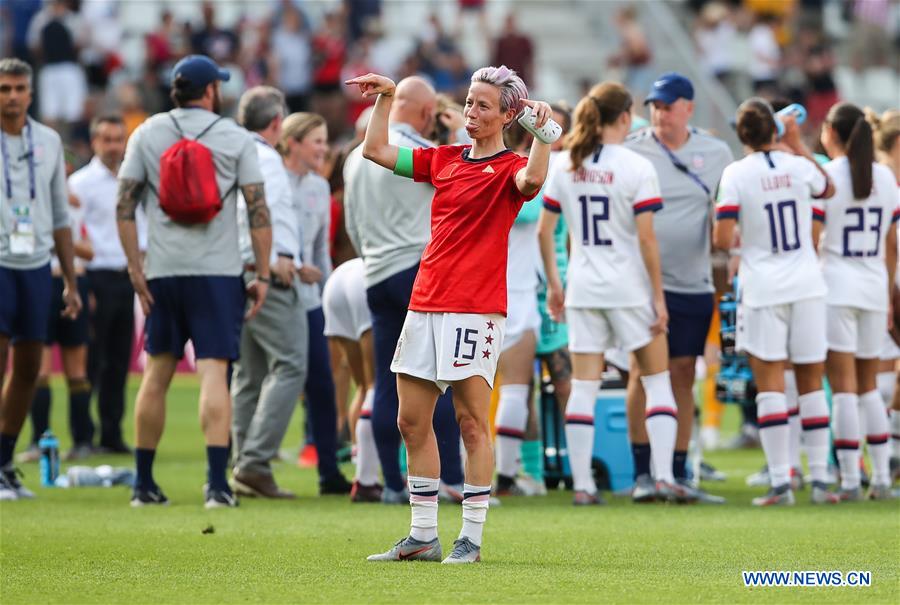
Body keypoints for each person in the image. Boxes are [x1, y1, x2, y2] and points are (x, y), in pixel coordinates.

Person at [346, 65, 551, 563]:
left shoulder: (509, 168)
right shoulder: (444, 159)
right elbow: (374, 151)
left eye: (483, 105)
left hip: (476, 310)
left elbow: (534, 178)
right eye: (469, 103)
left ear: (508, 115)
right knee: (411, 421)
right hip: (425, 303)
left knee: (471, 423)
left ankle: (472, 539)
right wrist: (387, 99)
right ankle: (422, 536)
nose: (471, 112)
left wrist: (544, 136)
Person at [116, 55, 272, 508]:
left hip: (163, 270)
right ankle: (217, 487)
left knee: (156, 374)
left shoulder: (146, 132)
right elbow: (258, 211)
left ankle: (143, 484)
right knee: (214, 374)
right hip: (218, 271)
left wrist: (134, 267)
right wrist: (261, 273)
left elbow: (124, 206)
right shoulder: (234, 137)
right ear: (209, 92)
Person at [539, 81, 684, 505]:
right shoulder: (637, 167)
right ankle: (661, 477)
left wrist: (555, 283)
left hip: (583, 288)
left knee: (582, 387)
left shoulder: (564, 164)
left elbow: (547, 232)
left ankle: (583, 486)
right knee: (658, 382)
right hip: (629, 289)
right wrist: (659, 296)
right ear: (625, 117)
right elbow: (646, 241)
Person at [342, 76, 465, 504]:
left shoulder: (357, 155)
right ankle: (450, 477)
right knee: (440, 378)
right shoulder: (419, 151)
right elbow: (465, 178)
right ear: (428, 112)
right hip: (418, 270)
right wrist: (459, 134)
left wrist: (371, 259)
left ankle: (392, 483)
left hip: (374, 272)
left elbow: (351, 223)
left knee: (385, 381)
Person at [713, 98, 836, 506]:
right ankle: (820, 481)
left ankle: (781, 483)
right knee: (810, 383)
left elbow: (721, 236)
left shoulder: (736, 173)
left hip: (763, 288)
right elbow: (828, 188)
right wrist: (799, 145)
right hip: (806, 283)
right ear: (776, 131)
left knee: (770, 389)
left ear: (741, 134)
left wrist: (744, 239)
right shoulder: (798, 165)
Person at [624, 73, 732, 502]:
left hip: (693, 283)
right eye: (654, 105)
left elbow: (726, 211)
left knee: (684, 374)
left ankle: (680, 470)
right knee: (642, 373)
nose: (659, 113)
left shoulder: (717, 152)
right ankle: (642, 473)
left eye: (668, 106)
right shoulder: (633, 149)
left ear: (688, 107)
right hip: (642, 286)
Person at [0, 57, 81, 501]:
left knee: (30, 366)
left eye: (18, 89)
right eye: (4, 88)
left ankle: (5, 459)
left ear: (30, 94)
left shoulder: (48, 141)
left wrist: (69, 280)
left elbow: (60, 216)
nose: (11, 96)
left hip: (35, 265)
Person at [819, 103, 898, 501]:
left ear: (832, 131)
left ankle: (850, 479)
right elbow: (890, 244)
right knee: (868, 388)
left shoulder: (828, 176)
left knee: (845, 389)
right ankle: (882, 478)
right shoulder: (885, 177)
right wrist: (886, 294)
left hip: (835, 287)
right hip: (872, 287)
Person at [229, 86, 305, 500]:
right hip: (266, 273)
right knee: (291, 363)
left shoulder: (234, 152)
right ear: (276, 123)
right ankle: (255, 463)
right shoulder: (266, 159)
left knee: (250, 373)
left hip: (239, 270)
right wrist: (272, 261)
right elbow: (260, 210)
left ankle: (241, 459)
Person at [280, 111, 352, 494]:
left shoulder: (319, 190)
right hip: (270, 292)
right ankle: (239, 463)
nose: (324, 149)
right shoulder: (270, 181)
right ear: (293, 142)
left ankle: (328, 470)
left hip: (309, 297)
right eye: (317, 141)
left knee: (322, 382)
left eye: (325, 141)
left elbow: (321, 253)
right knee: (256, 380)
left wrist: (323, 286)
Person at [20, 161, 94, 463]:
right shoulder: (26, 203)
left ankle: (82, 440)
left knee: (76, 368)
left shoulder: (74, 206)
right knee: (39, 367)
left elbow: (90, 250)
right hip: (40, 282)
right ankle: (40, 439)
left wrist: (61, 239)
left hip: (72, 280)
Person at [74, 114, 138, 455]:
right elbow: (71, 234)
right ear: (95, 142)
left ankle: (111, 433)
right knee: (88, 360)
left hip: (124, 276)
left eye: (119, 139)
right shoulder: (81, 184)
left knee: (117, 360)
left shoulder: (131, 180)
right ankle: (83, 434)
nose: (114, 146)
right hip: (95, 276)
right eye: (107, 139)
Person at [493, 122, 542, 497]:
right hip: (519, 292)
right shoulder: (529, 177)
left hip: (478, 291)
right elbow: (530, 210)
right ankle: (506, 477)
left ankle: (466, 474)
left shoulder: (473, 169)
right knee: (515, 389)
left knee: (469, 392)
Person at [321, 257, 381, 502]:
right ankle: (367, 479)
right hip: (370, 277)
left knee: (365, 387)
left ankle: (363, 469)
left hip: (339, 278)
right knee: (378, 385)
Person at [866, 108, 900, 479]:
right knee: (875, 372)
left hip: (881, 285)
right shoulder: (880, 182)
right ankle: (880, 454)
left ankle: (890, 451)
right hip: (882, 286)